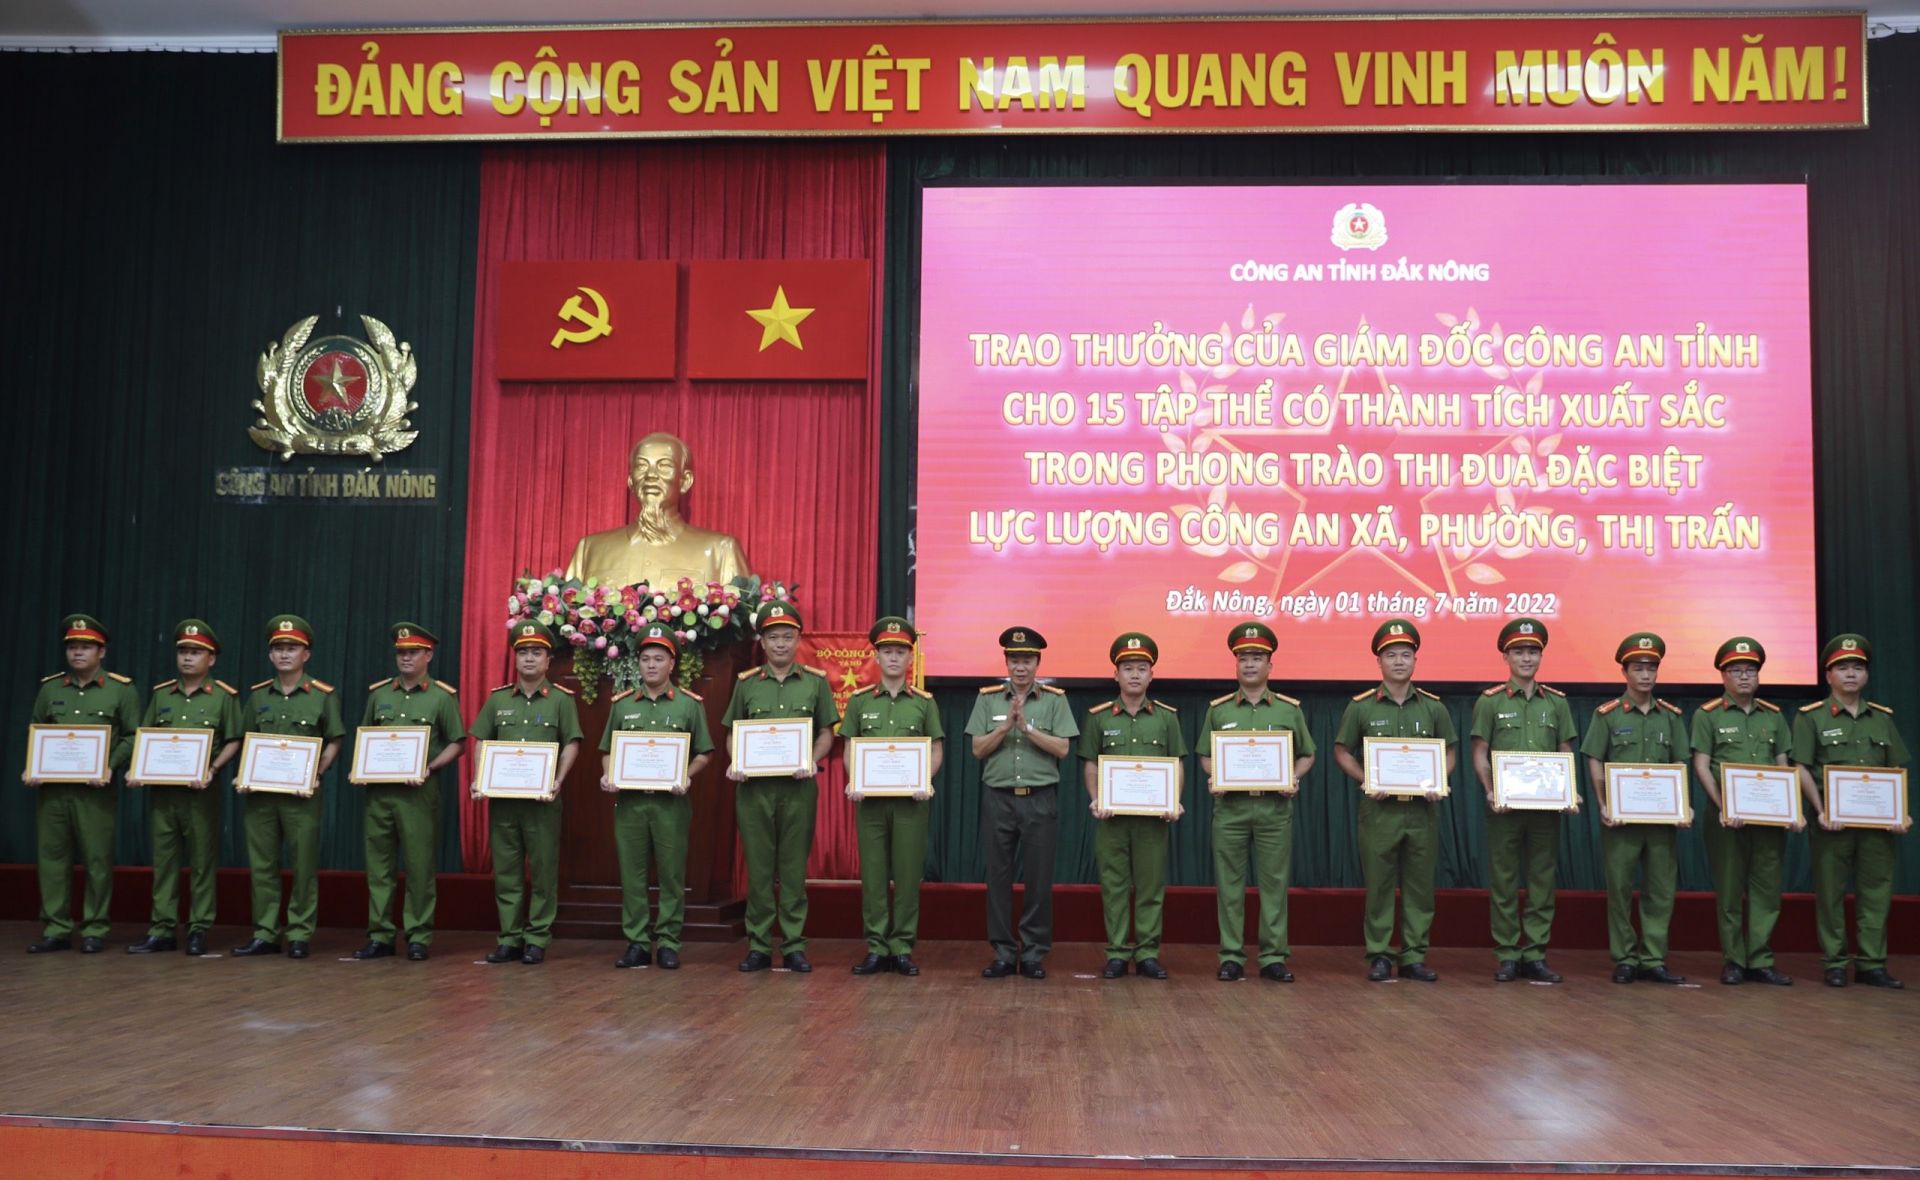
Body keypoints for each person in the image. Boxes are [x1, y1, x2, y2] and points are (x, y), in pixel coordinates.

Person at [1333, 619, 1456, 983]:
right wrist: (1366, 779)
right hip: (1380, 811)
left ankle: (1414, 956)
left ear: (1415, 660)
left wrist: (1439, 779)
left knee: (1420, 887)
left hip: (1422, 811)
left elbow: (1450, 751)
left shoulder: (1434, 708)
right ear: (1379, 662)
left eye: (1405, 654)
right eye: (1391, 655)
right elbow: (1342, 751)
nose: (1399, 661)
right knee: (1380, 885)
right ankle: (1380, 955)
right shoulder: (1361, 707)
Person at [721, 602, 839, 973]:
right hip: (754, 790)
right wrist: (738, 761)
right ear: (763, 642)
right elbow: (732, 733)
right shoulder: (746, 684)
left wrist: (812, 760)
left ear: (798, 640)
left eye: (788, 637)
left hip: (798, 788)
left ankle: (793, 945)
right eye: (773, 638)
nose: (781, 644)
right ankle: (758, 945)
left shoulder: (815, 682)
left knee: (792, 870)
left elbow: (827, 732)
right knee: (758, 871)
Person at [1790, 633, 1912, 988]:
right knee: (1830, 893)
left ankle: (1872, 963)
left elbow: (1894, 771)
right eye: (1842, 668)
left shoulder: (1882, 719)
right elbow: (1801, 767)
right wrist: (1820, 810)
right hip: (1832, 824)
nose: (1850, 674)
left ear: (1866, 675)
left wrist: (1900, 813)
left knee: (1876, 893)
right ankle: (1835, 962)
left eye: (1858, 667)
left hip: (1877, 827)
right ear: (1829, 675)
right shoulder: (1811, 717)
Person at [1199, 621, 1316, 983]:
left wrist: (1293, 777)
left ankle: (1273, 957)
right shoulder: (1219, 710)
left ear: (1270, 666)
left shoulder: (1288, 710)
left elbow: (1307, 754)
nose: (1249, 664)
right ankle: (1231, 956)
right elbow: (1205, 755)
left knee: (1274, 885)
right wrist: (1215, 775)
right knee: (1229, 886)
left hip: (1273, 810)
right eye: (1243, 658)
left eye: (1257, 658)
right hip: (1230, 811)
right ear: (1236, 664)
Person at [1470, 616, 1578, 983]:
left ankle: (1535, 953)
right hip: (1505, 809)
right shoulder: (1490, 702)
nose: (1526, 658)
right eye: (1518, 652)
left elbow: (1565, 751)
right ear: (1506, 657)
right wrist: (1490, 790)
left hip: (1546, 810)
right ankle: (1507, 954)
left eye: (1533, 651)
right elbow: (1480, 753)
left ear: (1541, 656)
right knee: (1504, 881)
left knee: (1542, 880)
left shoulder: (1557, 703)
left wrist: (1569, 790)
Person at [24, 614, 140, 954]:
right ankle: (56, 928)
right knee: (52, 859)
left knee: (97, 859)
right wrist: (32, 765)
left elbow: (133, 735)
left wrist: (110, 766)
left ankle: (94, 927)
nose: (77, 652)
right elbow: (37, 730)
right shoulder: (50, 688)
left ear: (101, 652)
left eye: (86, 647)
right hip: (53, 790)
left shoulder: (121, 690)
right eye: (72, 646)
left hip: (95, 791)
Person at [1580, 633, 1692, 985]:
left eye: (1651, 668)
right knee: (1619, 890)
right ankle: (1625, 958)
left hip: (1661, 822)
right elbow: (1595, 760)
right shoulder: (1608, 715)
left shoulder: (1671, 717)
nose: (1645, 675)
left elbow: (1679, 763)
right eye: (1638, 668)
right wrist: (1603, 803)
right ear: (1624, 672)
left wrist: (1683, 806)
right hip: (1621, 821)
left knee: (1660, 891)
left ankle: (1654, 958)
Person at [600, 623, 713, 970]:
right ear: (638, 663)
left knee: (671, 875)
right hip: (631, 804)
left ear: (671, 664)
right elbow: (607, 749)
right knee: (632, 875)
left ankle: (667, 942)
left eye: (659, 659)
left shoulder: (689, 705)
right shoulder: (622, 705)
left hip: (671, 804)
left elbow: (704, 752)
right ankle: (636, 942)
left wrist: (686, 775)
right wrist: (608, 774)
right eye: (646, 658)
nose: (651, 665)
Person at [966, 627, 1077, 980]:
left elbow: (1063, 749)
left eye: (1027, 660)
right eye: (1014, 659)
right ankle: (1002, 952)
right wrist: (1005, 727)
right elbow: (977, 749)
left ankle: (1032, 953)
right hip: (998, 799)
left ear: (1037, 663)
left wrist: (1027, 728)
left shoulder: (1055, 700)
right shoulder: (987, 700)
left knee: (1039, 880)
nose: (1020, 667)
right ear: (1006, 662)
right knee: (997, 879)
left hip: (1039, 799)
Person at [126, 619, 242, 957]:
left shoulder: (224, 697)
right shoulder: (162, 694)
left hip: (200, 793)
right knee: (164, 862)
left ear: (211, 659)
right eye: (183, 652)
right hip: (163, 794)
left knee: (202, 862)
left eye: (196, 652)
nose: (188, 658)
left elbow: (234, 739)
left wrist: (213, 769)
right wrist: (137, 768)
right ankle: (161, 929)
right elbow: (146, 736)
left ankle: (198, 928)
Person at [469, 621, 582, 965]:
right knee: (507, 872)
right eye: (523, 652)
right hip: (503, 802)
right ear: (515, 659)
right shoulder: (498, 699)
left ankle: (536, 938)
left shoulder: (561, 700)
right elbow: (482, 741)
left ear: (548, 660)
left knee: (544, 872)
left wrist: (558, 779)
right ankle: (509, 938)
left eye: (536, 652)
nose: (529, 658)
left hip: (542, 803)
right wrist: (479, 777)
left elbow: (572, 743)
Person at [352, 623, 465, 962]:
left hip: (419, 794)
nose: (405, 658)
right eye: (401, 652)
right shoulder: (379, 695)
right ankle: (380, 936)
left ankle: (418, 936)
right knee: (379, 868)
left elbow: (457, 743)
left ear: (428, 655)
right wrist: (360, 767)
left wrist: (430, 767)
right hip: (379, 795)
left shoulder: (441, 697)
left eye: (413, 652)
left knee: (419, 867)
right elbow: (366, 737)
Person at [235, 614, 345, 960]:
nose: (284, 654)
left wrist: (317, 773)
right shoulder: (257, 697)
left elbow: (335, 740)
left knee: (303, 865)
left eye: (292, 648)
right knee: (262, 866)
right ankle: (265, 933)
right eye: (278, 648)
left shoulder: (322, 695)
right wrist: (244, 774)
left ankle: (299, 933)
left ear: (306, 654)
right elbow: (245, 740)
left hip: (301, 796)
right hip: (261, 797)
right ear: (270, 655)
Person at [838, 616, 943, 976]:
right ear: (876, 657)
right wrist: (855, 779)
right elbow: (850, 747)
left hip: (911, 804)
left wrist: (924, 779)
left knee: (909, 876)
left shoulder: (924, 703)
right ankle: (876, 946)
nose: (894, 658)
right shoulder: (859, 701)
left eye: (900, 652)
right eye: (887, 652)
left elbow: (936, 750)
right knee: (873, 875)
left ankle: (902, 947)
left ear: (910, 658)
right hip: (870, 803)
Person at [1689, 637, 1797, 986]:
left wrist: (1790, 808)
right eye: (1736, 671)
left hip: (1769, 819)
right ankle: (1734, 960)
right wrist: (1724, 806)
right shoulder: (1708, 715)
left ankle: (1761, 959)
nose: (1745, 676)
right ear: (1723, 676)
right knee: (1730, 889)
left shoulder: (1774, 716)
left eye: (1751, 670)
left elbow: (1783, 764)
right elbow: (1701, 765)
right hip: (1726, 818)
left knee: (1767, 889)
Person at [1080, 633, 1187, 981]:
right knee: (1114, 887)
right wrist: (1096, 798)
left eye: (1142, 668)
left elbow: (1177, 763)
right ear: (1116, 675)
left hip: (1152, 821)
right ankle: (1116, 953)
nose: (1135, 675)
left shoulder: (1166, 718)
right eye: (1128, 668)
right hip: (1112, 820)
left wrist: (1173, 801)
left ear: (1151, 675)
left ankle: (1147, 954)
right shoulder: (1099, 717)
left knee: (1150, 888)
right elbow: (1091, 764)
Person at [565, 432, 750, 588]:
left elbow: (742, 614)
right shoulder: (590, 549)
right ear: (631, 480)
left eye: (664, 466)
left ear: (685, 481)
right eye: (642, 466)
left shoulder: (721, 551)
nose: (651, 475)